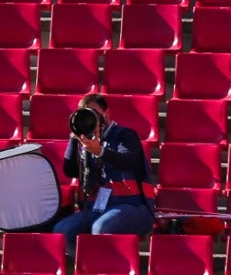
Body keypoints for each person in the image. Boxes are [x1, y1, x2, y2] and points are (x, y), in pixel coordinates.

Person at [51, 93, 156, 241]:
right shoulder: (86, 142)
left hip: (133, 206)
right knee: (62, 230)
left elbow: (127, 161)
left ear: (106, 113)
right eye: (85, 114)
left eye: (94, 113)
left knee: (101, 228)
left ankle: (104, 256)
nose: (90, 118)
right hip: (97, 208)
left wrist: (99, 151)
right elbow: (70, 171)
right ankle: (83, 256)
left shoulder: (125, 135)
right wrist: (74, 137)